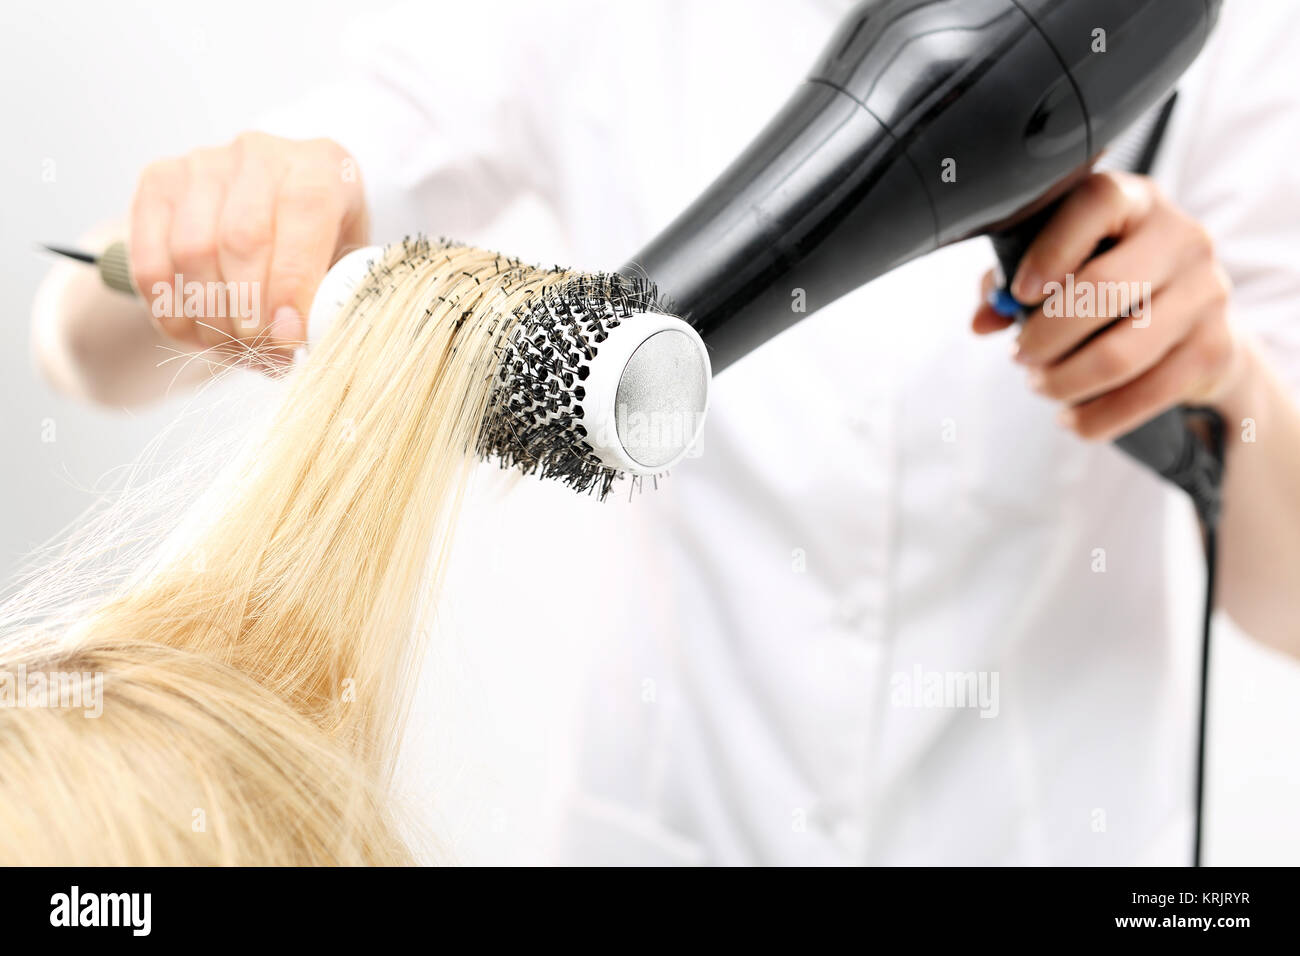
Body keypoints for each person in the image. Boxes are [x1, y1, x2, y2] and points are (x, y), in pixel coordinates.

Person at [31, 0, 1300, 864]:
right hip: (669, 827)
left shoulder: (1218, 44)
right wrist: (209, 234)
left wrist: (1220, 376)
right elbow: (83, 341)